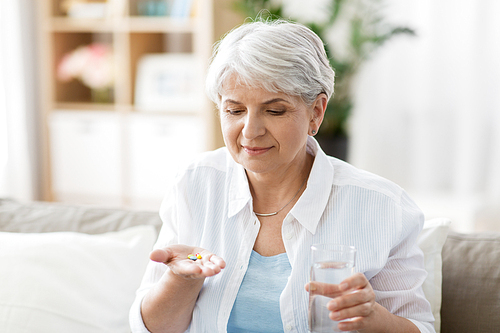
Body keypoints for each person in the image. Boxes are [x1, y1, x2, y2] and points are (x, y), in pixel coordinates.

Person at [129, 19, 435, 333]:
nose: (250, 131)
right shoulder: (195, 184)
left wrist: (374, 319)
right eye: (234, 110)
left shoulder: (382, 207)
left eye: (274, 111)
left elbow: (421, 327)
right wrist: (180, 280)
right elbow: (150, 328)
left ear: (316, 112)